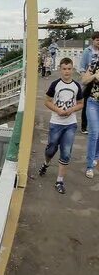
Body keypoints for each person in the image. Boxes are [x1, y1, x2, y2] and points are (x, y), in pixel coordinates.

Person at [39, 58, 84, 193]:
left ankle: (59, 181)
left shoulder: (76, 86)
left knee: (66, 152)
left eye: (69, 69)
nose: (67, 71)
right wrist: (57, 110)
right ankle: (46, 163)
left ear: (72, 69)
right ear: (60, 69)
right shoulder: (55, 85)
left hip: (70, 124)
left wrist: (72, 110)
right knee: (51, 149)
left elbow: (81, 103)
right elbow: (47, 101)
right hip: (56, 123)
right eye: (64, 69)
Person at [80, 32, 99, 176]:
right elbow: (84, 80)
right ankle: (89, 166)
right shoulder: (94, 63)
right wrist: (94, 76)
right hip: (93, 102)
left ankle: (95, 157)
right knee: (94, 133)